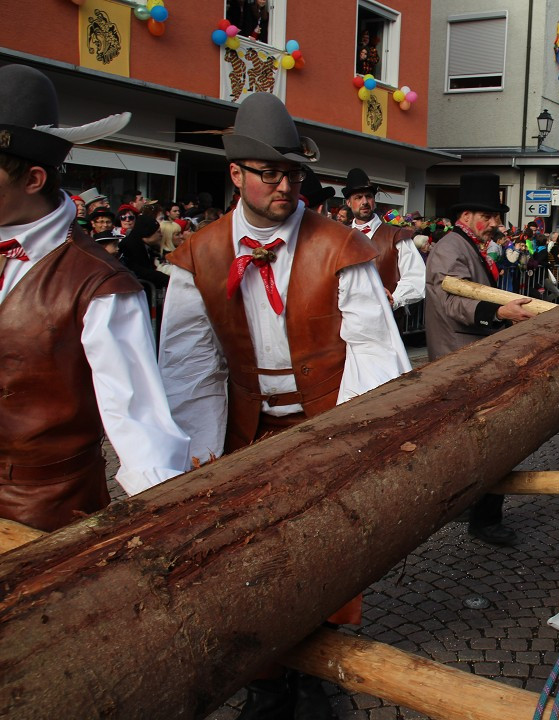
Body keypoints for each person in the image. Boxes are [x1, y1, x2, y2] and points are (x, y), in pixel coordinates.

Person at [158, 92, 410, 719]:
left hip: (325, 421)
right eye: (269, 172)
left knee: (327, 553)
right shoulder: (200, 252)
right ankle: (265, 681)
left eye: (292, 171)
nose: (284, 183)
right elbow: (188, 362)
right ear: (236, 174)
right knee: (244, 560)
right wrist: (196, 450)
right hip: (245, 430)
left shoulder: (342, 245)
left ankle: (317, 674)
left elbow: (374, 351)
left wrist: (349, 440)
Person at [0, 64, 190, 533]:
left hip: (46, 510)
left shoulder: (99, 282)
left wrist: (168, 530)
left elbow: (139, 420)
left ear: (32, 179)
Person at [424, 172, 535, 546]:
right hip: (460, 357)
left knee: (478, 440)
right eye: (489, 217)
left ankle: (472, 509)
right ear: (468, 215)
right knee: (493, 439)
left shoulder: (465, 245)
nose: (496, 225)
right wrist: (500, 314)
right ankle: (484, 519)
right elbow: (452, 301)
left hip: (470, 356)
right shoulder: (452, 248)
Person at [343, 167, 425, 310]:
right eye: (358, 197)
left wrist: (393, 300)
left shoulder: (396, 236)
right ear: (349, 203)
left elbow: (416, 278)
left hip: (387, 323)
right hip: (348, 324)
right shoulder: (340, 236)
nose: (364, 202)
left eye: (368, 196)